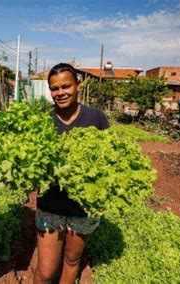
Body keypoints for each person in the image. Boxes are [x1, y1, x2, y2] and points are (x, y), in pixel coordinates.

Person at [34, 63, 109, 283]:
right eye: (54, 88)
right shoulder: (42, 119)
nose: (60, 93)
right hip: (50, 204)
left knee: (72, 260)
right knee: (46, 271)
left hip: (83, 207)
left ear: (78, 84)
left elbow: (108, 159)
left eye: (66, 86)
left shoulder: (96, 118)